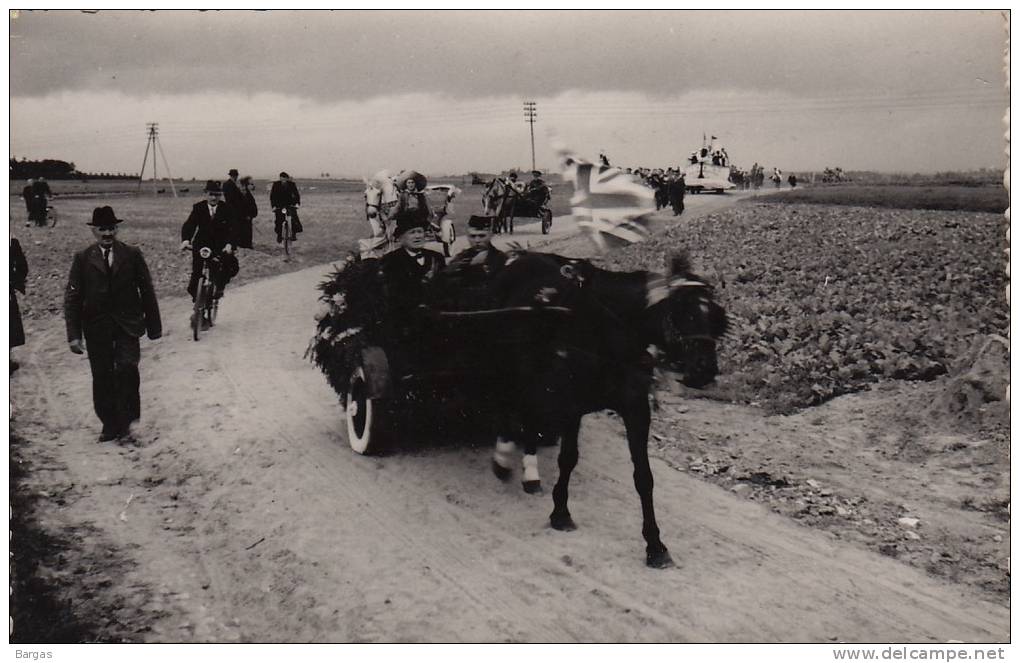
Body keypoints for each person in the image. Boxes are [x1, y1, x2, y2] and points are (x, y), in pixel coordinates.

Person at [64, 206, 162, 442]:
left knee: (128, 369)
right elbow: (73, 297)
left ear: (117, 229)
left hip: (128, 325)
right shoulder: (83, 258)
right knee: (102, 376)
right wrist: (74, 335)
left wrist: (154, 326)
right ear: (93, 231)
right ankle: (109, 424)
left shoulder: (132, 254)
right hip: (97, 328)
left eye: (111, 228)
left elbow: (146, 290)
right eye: (102, 229)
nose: (107, 234)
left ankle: (128, 423)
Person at [380, 210, 446, 345]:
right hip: (407, 326)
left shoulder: (436, 257)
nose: (417, 236)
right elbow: (393, 297)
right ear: (401, 238)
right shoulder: (391, 261)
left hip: (438, 319)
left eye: (420, 232)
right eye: (412, 233)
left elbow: (445, 287)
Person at [180, 180, 239, 309]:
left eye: (217, 194)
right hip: (202, 245)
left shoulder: (227, 209)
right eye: (211, 194)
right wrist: (186, 240)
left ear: (221, 195)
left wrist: (229, 244)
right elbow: (190, 224)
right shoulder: (199, 207)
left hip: (221, 246)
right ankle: (199, 308)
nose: (213, 198)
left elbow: (234, 228)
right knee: (196, 274)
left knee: (226, 268)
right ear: (205, 194)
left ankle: (219, 288)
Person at [443, 215, 507, 309]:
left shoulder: (500, 258)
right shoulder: (461, 258)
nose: (477, 241)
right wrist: (469, 264)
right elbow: (445, 281)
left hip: (491, 309)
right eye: (472, 236)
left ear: (490, 235)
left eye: (482, 236)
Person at [10, 237, 28, 374]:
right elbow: (22, 267)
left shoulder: (12, 242)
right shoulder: (11, 241)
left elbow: (22, 267)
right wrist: (15, 280)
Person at [270, 171, 303, 243]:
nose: (283, 180)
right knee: (278, 220)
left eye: (284, 179)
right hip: (279, 205)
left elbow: (296, 194)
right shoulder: (276, 184)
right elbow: (272, 196)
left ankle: (294, 234)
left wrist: (297, 204)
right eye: (281, 179)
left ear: (287, 179)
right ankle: (279, 235)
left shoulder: (292, 184)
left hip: (290, 204)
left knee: (294, 218)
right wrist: (273, 206)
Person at [237, 175, 259, 249]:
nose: (253, 186)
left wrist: (252, 214)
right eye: (251, 184)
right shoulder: (242, 194)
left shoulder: (248, 194)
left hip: (248, 218)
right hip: (242, 219)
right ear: (246, 185)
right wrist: (247, 215)